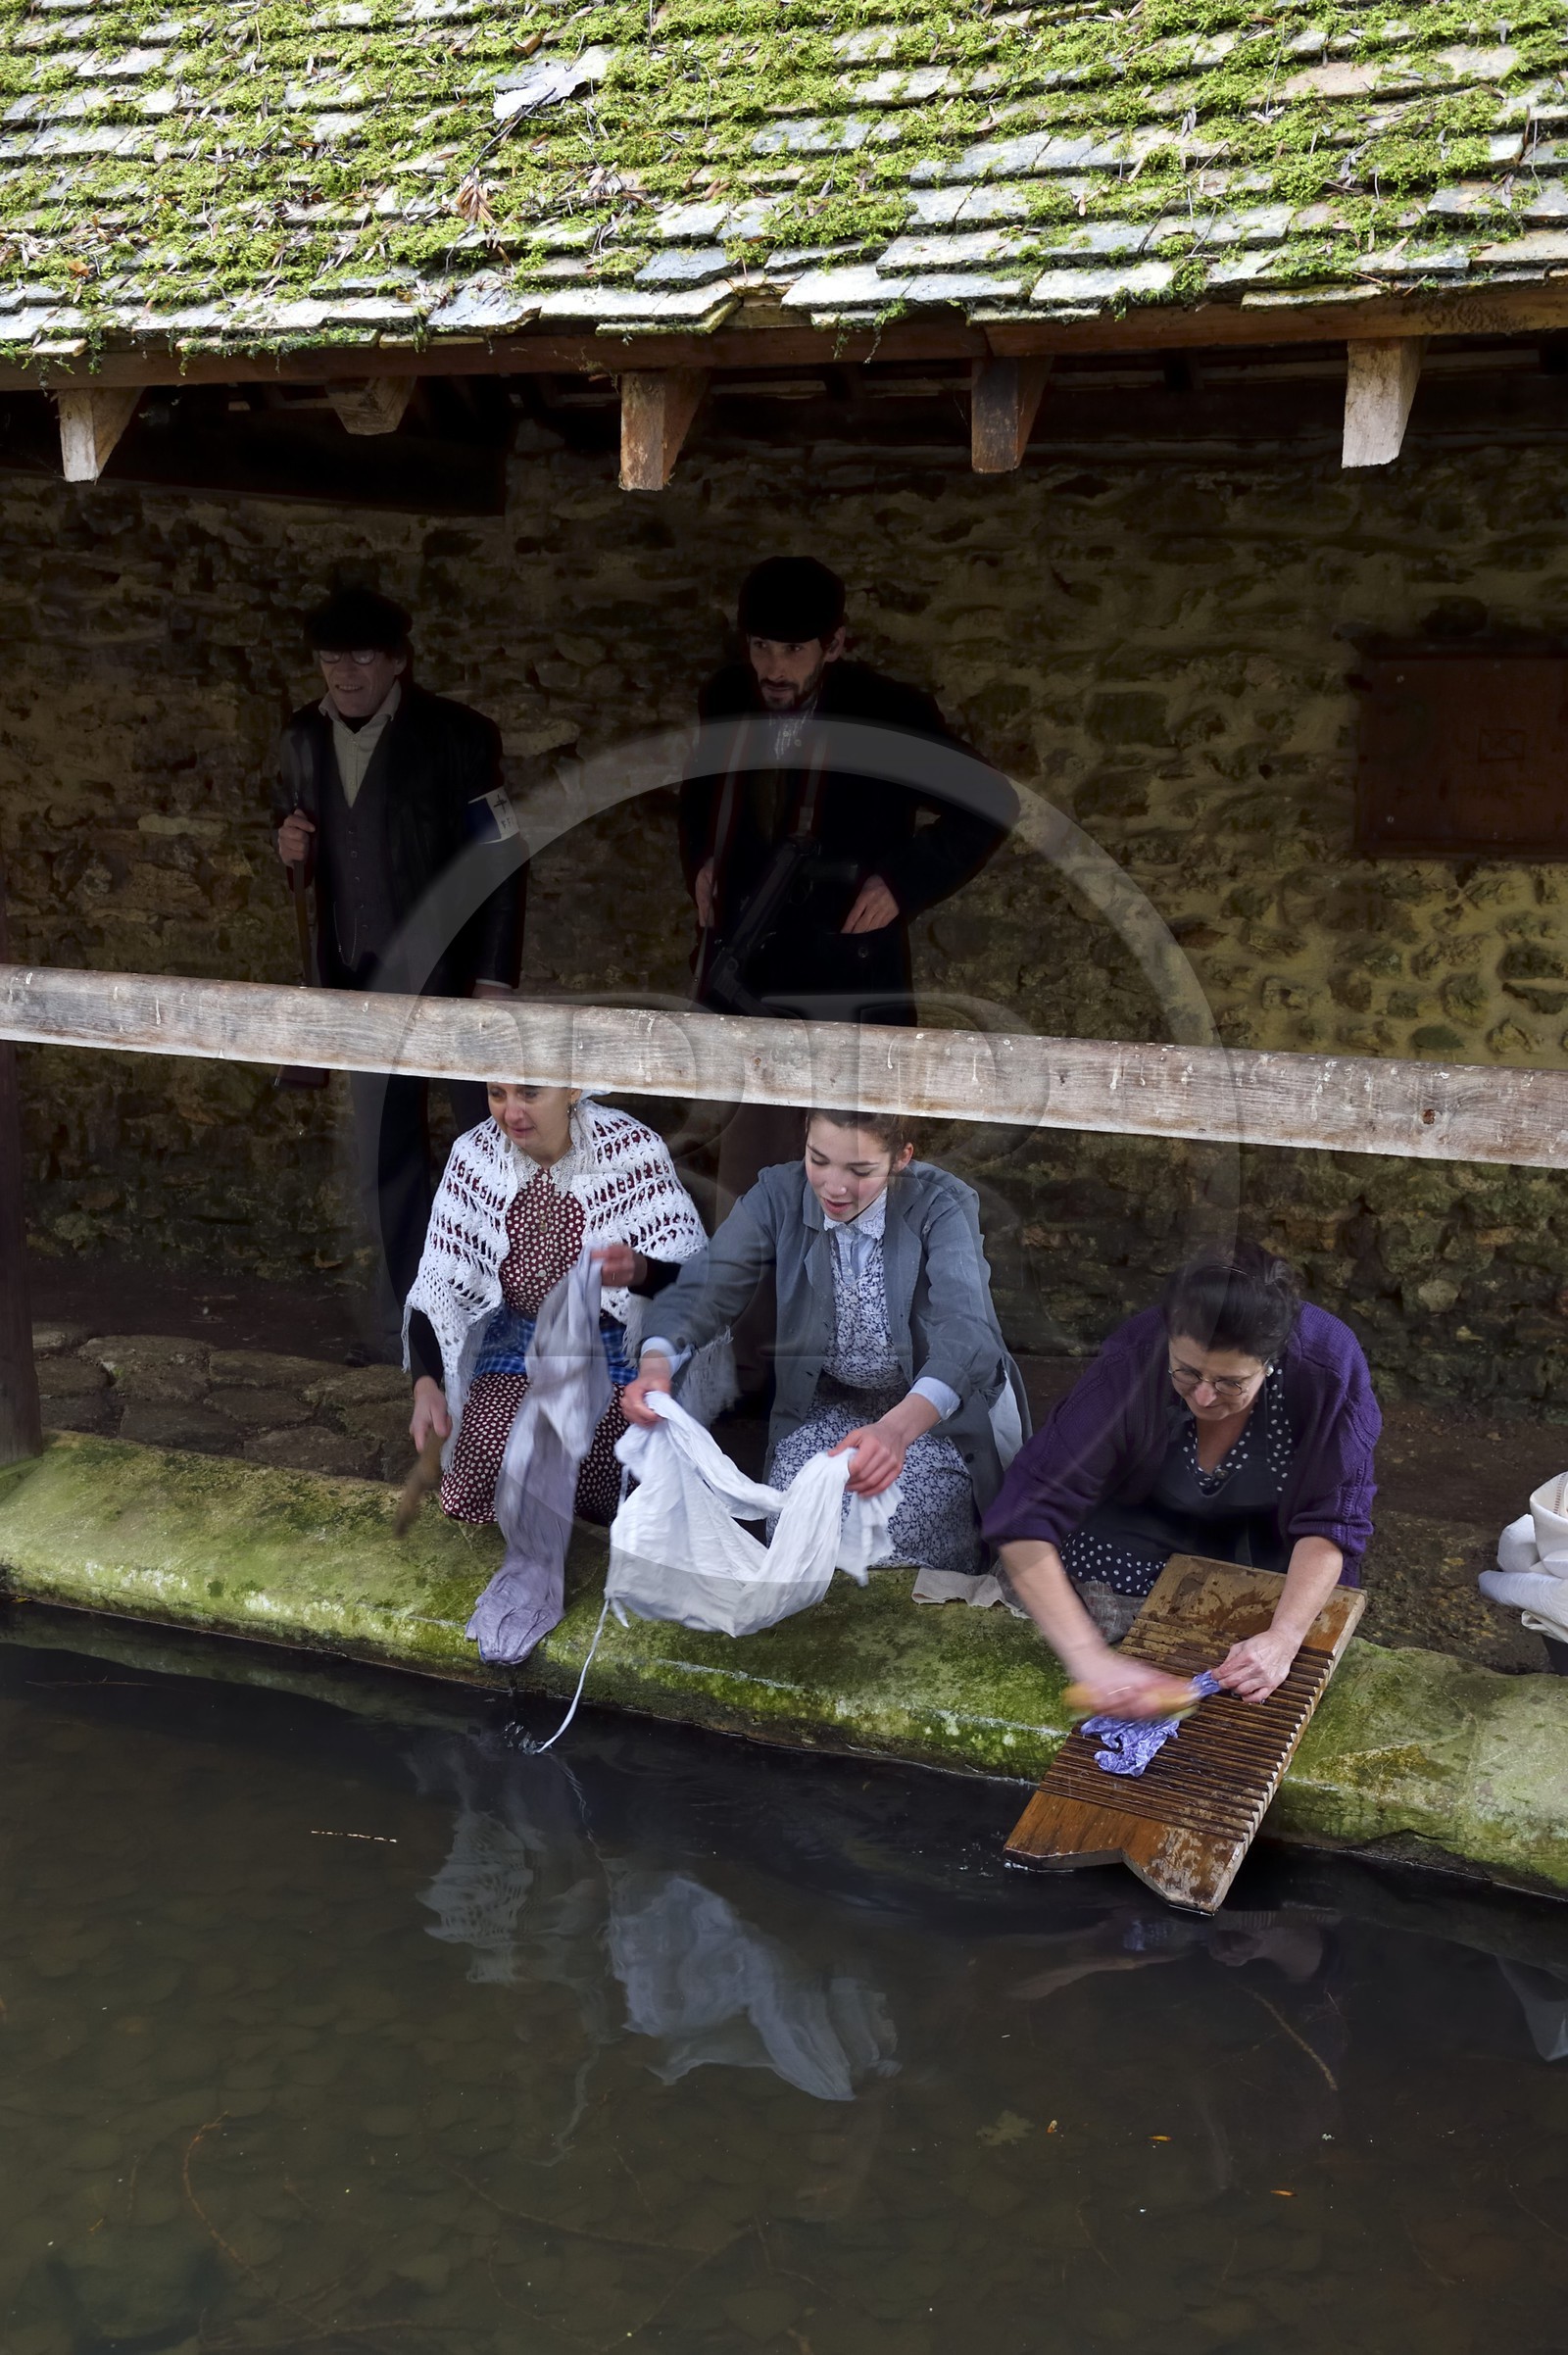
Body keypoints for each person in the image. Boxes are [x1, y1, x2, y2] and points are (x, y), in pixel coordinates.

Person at [679, 557, 1017, 1207]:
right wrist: (702, 859)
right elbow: (702, 796)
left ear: (834, 644)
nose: (775, 666)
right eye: (761, 647)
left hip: (851, 983)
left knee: (853, 1201)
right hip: (751, 979)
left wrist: (902, 880)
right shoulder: (727, 699)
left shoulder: (886, 712)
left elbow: (988, 800)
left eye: (795, 649)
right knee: (752, 1198)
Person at [271, 585, 525, 1353]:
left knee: (486, 1151)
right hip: (357, 976)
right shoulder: (299, 738)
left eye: (361, 656)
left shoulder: (458, 736)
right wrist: (283, 844)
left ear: (397, 662)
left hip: (448, 980)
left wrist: (492, 978)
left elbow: (504, 853)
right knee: (388, 1158)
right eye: (329, 657)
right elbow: (292, 828)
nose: (343, 672)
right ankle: (412, 1323)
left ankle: (495, 1318)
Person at [622, 1109, 1028, 1584]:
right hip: (826, 1407)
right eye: (819, 1160)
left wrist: (895, 1432)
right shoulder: (780, 1194)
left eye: (860, 1171)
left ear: (901, 1159)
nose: (834, 1187)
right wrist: (656, 1363)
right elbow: (705, 1287)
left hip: (930, 1418)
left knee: (890, 1523)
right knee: (802, 1516)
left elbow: (967, 1335)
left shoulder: (940, 1205)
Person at [983, 1244, 1381, 1717]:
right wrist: (1092, 1661)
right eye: (1188, 1372)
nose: (1205, 1397)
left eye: (1232, 1382)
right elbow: (1027, 1511)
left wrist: (1284, 1635)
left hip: (1265, 1557)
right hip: (1131, 1538)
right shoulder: (1133, 1359)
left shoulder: (1327, 1367)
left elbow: (1331, 1519)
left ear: (1272, 1360)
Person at [405, 1083, 709, 1537]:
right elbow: (437, 1286)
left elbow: (697, 1281)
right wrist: (426, 1385)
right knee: (481, 1468)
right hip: (515, 1350)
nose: (511, 1112)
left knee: (585, 1463)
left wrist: (642, 1269)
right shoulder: (475, 1158)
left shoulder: (631, 1150)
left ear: (571, 1089)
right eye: (497, 1093)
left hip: (606, 1357)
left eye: (529, 1093)